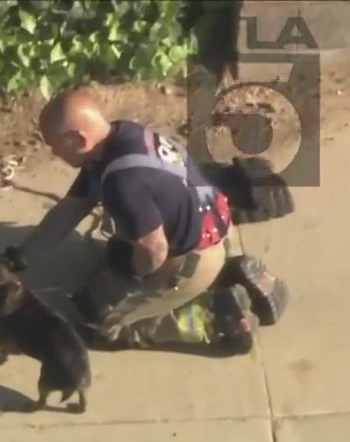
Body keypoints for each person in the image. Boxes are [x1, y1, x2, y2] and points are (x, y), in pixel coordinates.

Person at [16, 84, 286, 355]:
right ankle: (229, 272)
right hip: (208, 225)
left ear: (79, 139)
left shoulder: (122, 183)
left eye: (54, 145)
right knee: (111, 269)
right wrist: (21, 254)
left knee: (101, 326)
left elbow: (154, 249)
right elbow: (72, 208)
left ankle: (220, 315)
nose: (53, 153)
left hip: (190, 257)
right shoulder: (123, 136)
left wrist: (132, 282)